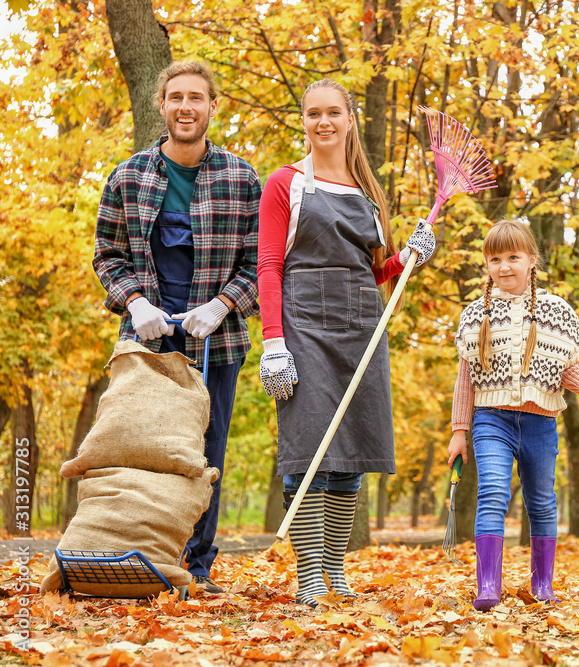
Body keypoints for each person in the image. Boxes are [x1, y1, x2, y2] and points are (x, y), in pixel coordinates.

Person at [256, 78, 435, 607]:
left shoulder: (370, 192)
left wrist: (411, 259)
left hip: (362, 329)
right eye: (313, 114)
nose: (323, 122)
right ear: (304, 121)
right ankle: (309, 574)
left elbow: (377, 272)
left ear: (351, 118)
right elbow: (269, 266)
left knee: (352, 451)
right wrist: (273, 344)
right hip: (303, 326)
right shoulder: (284, 183)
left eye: (334, 112)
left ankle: (335, 570)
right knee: (309, 447)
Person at [92, 61, 261, 594]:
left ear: (213, 107)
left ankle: (195, 566)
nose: (186, 106)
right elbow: (107, 256)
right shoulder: (127, 176)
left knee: (205, 455)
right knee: (135, 446)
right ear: (161, 106)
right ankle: (128, 555)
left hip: (217, 342)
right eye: (176, 97)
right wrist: (135, 303)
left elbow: (261, 263)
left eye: (197, 97)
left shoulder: (242, 178)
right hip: (145, 342)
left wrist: (222, 306)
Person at [447, 220, 579, 611]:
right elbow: (466, 380)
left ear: (532, 260)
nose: (504, 266)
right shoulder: (475, 315)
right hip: (490, 420)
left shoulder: (557, 313)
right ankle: (489, 585)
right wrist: (459, 431)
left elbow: (567, 373)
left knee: (542, 501)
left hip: (540, 422)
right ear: (487, 264)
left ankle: (542, 584)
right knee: (493, 492)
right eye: (495, 258)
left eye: (513, 256)